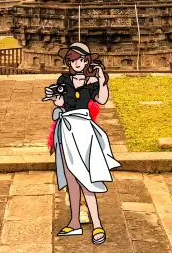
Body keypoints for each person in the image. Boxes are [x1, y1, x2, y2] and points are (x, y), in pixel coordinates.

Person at [44, 41, 120, 245]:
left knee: (86, 178)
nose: (76, 63)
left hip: (84, 129)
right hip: (65, 128)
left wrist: (102, 79)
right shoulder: (63, 79)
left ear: (86, 61)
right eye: (72, 60)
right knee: (71, 179)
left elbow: (102, 100)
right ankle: (75, 222)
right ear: (68, 62)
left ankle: (97, 224)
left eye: (79, 59)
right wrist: (56, 100)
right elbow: (61, 102)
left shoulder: (93, 81)